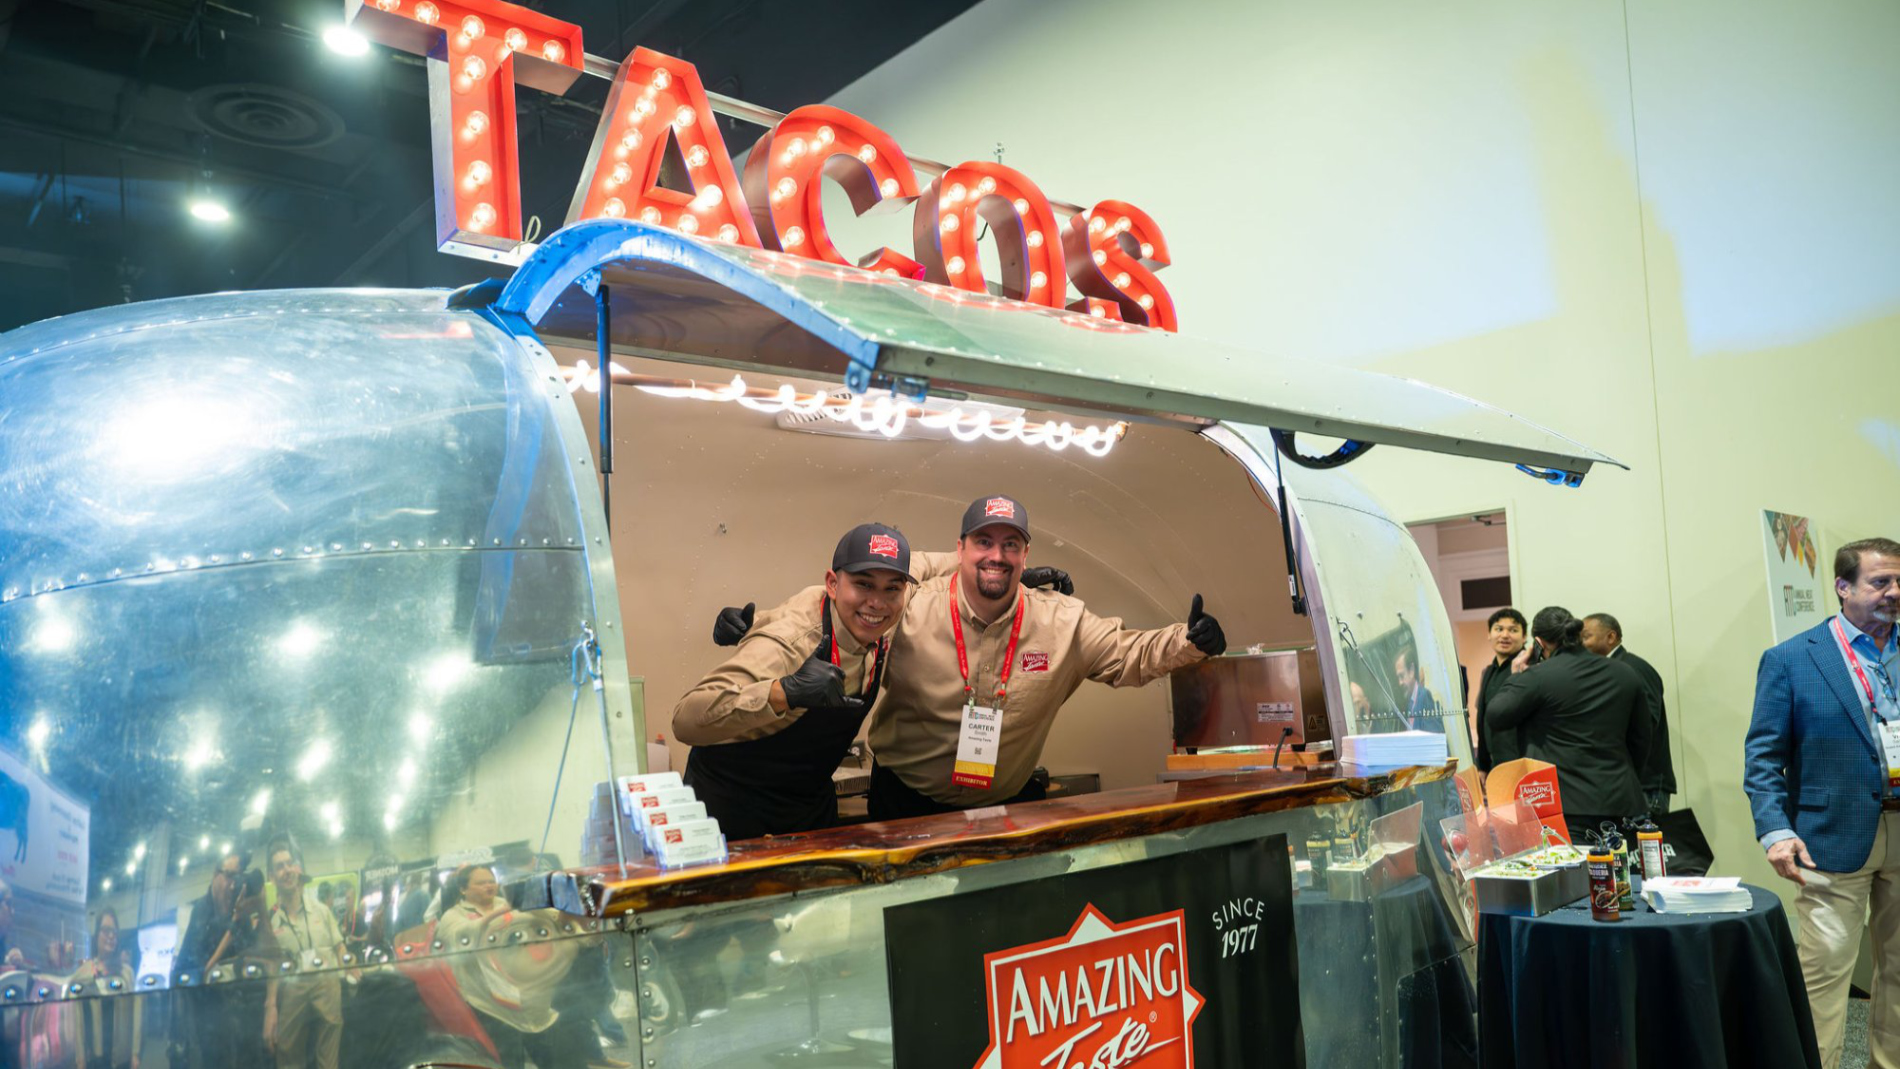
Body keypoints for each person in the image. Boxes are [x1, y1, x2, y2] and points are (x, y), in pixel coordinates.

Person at [866, 495, 1226, 818]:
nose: (997, 555)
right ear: (959, 549)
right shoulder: (910, 607)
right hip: (905, 802)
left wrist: (1190, 640)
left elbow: (1129, 652)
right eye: (984, 542)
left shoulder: (1062, 621)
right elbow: (883, 577)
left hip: (1001, 807)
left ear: (1025, 555)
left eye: (1011, 545)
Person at [1744, 537, 1900, 1069]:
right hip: (1828, 838)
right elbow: (1763, 756)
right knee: (1824, 980)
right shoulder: (1791, 659)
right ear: (1842, 587)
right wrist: (1774, 830)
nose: (1894, 592)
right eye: (1881, 582)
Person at [674, 523, 922, 840]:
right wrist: (784, 692)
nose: (877, 602)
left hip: (806, 811)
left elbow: (929, 568)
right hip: (731, 815)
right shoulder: (790, 645)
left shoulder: (882, 625)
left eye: (892, 588)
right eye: (863, 585)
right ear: (832, 584)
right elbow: (684, 719)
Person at [1485, 606, 1652, 835]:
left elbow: (1496, 714)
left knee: (1575, 871)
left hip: (1565, 806)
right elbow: (1642, 738)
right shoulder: (1625, 673)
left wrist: (1516, 677)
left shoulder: (1538, 677)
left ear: (1539, 643)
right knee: (1622, 870)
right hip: (1621, 800)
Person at [435, 865, 591, 1069]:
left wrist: (569, 911)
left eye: (491, 881)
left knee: (565, 1061)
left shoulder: (513, 904)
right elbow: (462, 937)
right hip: (491, 1009)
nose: (489, 886)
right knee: (509, 1063)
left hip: (535, 1006)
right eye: (481, 883)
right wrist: (502, 913)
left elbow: (556, 920)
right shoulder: (453, 917)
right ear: (463, 889)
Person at [263, 836, 347, 1069]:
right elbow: (272, 968)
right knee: (288, 1053)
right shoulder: (271, 923)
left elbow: (340, 946)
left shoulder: (322, 912)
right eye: (279, 867)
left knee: (329, 1059)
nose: (287, 870)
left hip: (326, 984)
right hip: (292, 989)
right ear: (272, 877)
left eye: (289, 864)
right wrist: (270, 1008)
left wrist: (348, 961)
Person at [1581, 612, 1676, 815]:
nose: (1580, 644)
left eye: (1585, 636)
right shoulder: (1609, 669)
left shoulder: (1634, 668)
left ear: (1611, 637)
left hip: (1644, 784)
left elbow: (1647, 724)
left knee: (1644, 845)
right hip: (1623, 782)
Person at [74, 907, 143, 1069]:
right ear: (96, 934)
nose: (111, 936)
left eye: (114, 932)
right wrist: (80, 1058)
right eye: (106, 930)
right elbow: (77, 1022)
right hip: (95, 1059)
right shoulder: (83, 974)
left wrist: (135, 1054)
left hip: (122, 1059)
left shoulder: (127, 974)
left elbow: (137, 1015)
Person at [1474, 608, 1528, 771]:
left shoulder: (1528, 668)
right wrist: (1482, 765)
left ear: (1524, 637)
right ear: (1489, 634)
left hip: (1521, 763)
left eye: (1513, 630)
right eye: (1499, 629)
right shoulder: (1488, 671)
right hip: (1494, 764)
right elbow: (1482, 719)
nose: (1505, 635)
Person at [1393, 645, 1441, 730]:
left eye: (1402, 676)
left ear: (1411, 670)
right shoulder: (1410, 702)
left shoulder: (1424, 696)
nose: (1400, 682)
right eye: (1398, 678)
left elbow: (1432, 735)